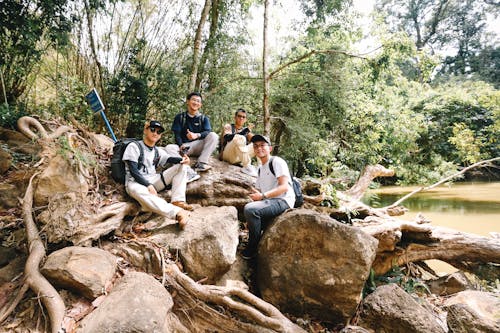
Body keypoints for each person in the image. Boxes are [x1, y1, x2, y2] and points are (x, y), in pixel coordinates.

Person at [122, 120, 193, 230]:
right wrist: (148, 185)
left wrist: (183, 159)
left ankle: (178, 201)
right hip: (135, 182)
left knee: (181, 166)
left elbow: (168, 158)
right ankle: (177, 213)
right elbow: (133, 171)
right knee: (138, 191)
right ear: (146, 130)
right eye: (152, 130)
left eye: (159, 132)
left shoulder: (157, 150)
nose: (155, 133)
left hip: (153, 180)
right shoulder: (134, 146)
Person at [241, 134, 295, 259]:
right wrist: (255, 193)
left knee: (250, 210)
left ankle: (253, 247)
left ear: (269, 148)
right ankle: (257, 240)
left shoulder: (276, 162)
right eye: (256, 146)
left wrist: (263, 196)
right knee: (250, 211)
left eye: (262, 145)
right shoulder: (260, 169)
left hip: (283, 200)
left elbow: (284, 187)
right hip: (271, 202)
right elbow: (260, 190)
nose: (259, 148)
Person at [166, 92, 219, 172]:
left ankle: (201, 163)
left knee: (214, 135)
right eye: (193, 100)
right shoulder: (180, 117)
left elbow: (208, 132)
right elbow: (177, 134)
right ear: (187, 101)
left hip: (199, 146)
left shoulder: (204, 118)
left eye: (198, 101)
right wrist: (181, 145)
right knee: (169, 147)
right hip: (185, 148)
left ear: (200, 105)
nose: (195, 103)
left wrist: (197, 135)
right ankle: (183, 167)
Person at [219, 108, 257, 177]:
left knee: (259, 144)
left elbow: (256, 139)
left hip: (238, 158)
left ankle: (262, 167)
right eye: (239, 116)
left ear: (245, 120)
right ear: (235, 117)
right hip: (227, 155)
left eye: (243, 117)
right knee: (240, 138)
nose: (241, 118)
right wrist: (244, 132)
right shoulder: (229, 126)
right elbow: (227, 137)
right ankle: (247, 166)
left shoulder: (245, 130)